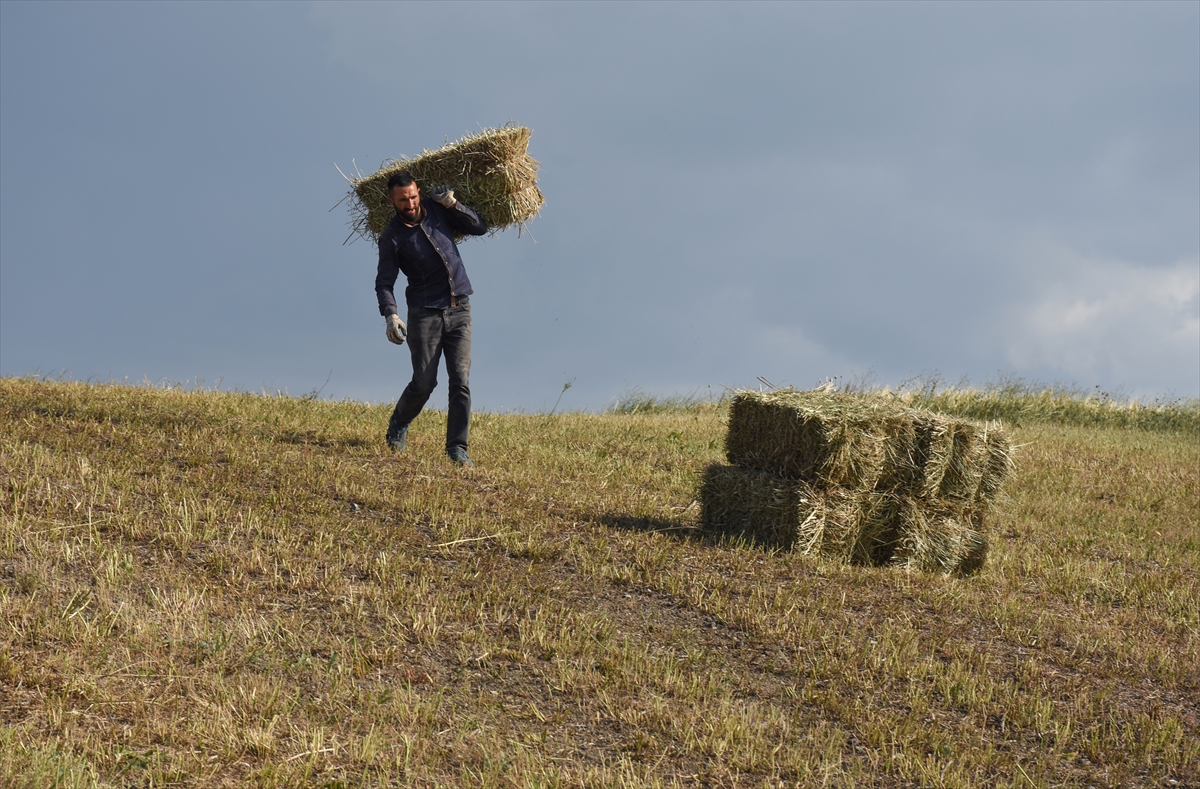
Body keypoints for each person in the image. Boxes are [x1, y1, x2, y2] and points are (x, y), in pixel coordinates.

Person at [374, 172, 488, 466]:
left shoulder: (438, 210)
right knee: (424, 383)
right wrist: (391, 314)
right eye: (403, 200)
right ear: (391, 201)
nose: (410, 204)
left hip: (460, 308)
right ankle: (399, 422)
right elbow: (384, 282)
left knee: (460, 381)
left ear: (418, 191)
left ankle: (457, 448)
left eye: (412, 197)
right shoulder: (391, 237)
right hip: (425, 314)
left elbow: (479, 228)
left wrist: (453, 204)